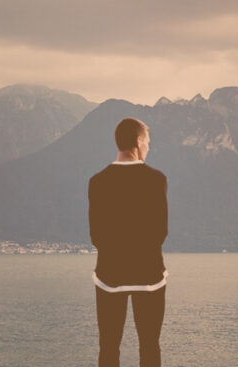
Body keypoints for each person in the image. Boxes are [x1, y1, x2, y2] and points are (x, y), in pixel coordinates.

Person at [89, 117, 168, 367]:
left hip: (109, 276)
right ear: (138, 141)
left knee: (109, 347)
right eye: (147, 142)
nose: (148, 147)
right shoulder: (156, 179)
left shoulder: (97, 181)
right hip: (149, 276)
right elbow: (161, 232)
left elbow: (96, 236)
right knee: (149, 346)